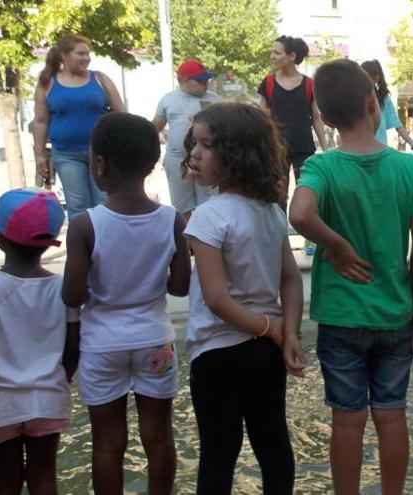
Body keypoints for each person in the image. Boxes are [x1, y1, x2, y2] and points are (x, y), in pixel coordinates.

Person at [288, 59, 413, 495]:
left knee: (347, 421)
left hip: (341, 316)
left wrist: (335, 245)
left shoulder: (322, 167)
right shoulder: (410, 168)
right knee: (391, 416)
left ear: (326, 118)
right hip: (394, 314)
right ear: (373, 103)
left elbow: (299, 213)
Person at [61, 113, 190, 495]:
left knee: (107, 442)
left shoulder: (87, 225)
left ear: (99, 166)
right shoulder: (171, 221)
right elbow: (181, 287)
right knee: (160, 438)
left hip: (102, 344)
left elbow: (72, 295)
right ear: (153, 164)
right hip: (155, 340)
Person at [182, 103, 305, 494]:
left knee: (219, 454)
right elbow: (291, 279)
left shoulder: (208, 216)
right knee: (273, 445)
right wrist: (289, 334)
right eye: (194, 144)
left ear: (235, 155)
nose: (194, 154)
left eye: (207, 146)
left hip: (219, 353)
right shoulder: (269, 211)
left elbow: (217, 300)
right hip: (264, 353)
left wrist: (273, 330)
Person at [0, 190, 77, 495]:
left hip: (2, 402)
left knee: (5, 479)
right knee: (44, 476)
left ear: (0, 238)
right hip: (47, 397)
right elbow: (73, 347)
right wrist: (63, 377)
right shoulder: (62, 288)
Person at [32, 34, 125, 219]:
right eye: (80, 53)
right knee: (77, 206)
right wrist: (39, 154)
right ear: (64, 56)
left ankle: (105, 245)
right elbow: (41, 121)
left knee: (104, 202)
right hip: (66, 154)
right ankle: (81, 246)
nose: (86, 58)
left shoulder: (100, 79)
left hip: (100, 152)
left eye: (88, 54)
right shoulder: (48, 83)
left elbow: (121, 113)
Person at [258, 35, 328, 191]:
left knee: (307, 192)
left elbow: (316, 118)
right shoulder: (268, 82)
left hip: (304, 148)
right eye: (272, 52)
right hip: (275, 149)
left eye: (277, 53)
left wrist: (325, 148)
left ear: (292, 56)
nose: (272, 56)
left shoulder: (309, 84)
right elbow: (261, 118)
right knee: (277, 197)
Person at [152, 59, 220, 220]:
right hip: (177, 159)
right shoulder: (168, 99)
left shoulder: (214, 99)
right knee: (183, 205)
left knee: (210, 202)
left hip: (207, 159)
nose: (205, 84)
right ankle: (188, 241)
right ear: (182, 80)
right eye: (200, 81)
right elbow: (156, 126)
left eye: (207, 80)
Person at [360, 60, 413, 151]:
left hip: (379, 151)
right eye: (361, 77)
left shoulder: (384, 100)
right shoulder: (355, 98)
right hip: (359, 152)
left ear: (376, 78)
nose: (363, 81)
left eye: (367, 77)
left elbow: (398, 126)